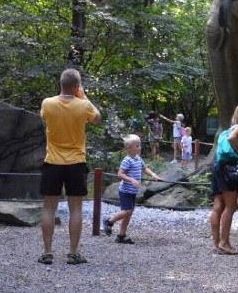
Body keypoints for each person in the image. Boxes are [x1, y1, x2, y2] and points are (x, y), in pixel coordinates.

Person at [38, 68, 101, 265]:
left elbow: (44, 117)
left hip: (52, 162)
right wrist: (84, 97)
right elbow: (97, 119)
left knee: (49, 208)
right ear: (77, 87)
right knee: (76, 209)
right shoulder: (84, 106)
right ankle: (73, 253)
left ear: (60, 84)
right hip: (76, 162)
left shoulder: (47, 103)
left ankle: (47, 252)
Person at [210, 105, 238, 255]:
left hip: (218, 168)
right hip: (228, 170)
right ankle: (224, 243)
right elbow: (232, 138)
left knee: (218, 206)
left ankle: (217, 244)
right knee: (231, 206)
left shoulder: (228, 129)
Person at [103, 135, 161, 244]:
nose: (140, 147)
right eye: (137, 146)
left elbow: (145, 168)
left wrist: (153, 175)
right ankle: (109, 221)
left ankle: (121, 235)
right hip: (125, 190)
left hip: (133, 191)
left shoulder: (138, 159)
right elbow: (120, 174)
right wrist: (131, 180)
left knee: (129, 213)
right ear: (129, 148)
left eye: (140, 145)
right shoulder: (127, 160)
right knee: (127, 211)